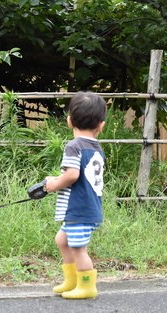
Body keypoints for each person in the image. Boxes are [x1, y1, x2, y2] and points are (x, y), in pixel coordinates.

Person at [29, 91, 107, 299]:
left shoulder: (74, 146)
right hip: (87, 207)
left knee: (78, 248)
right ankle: (72, 281)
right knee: (62, 241)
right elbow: (81, 176)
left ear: (69, 121)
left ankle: (87, 286)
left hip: (78, 209)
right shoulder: (96, 148)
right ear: (101, 125)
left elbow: (72, 175)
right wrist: (56, 178)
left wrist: (54, 185)